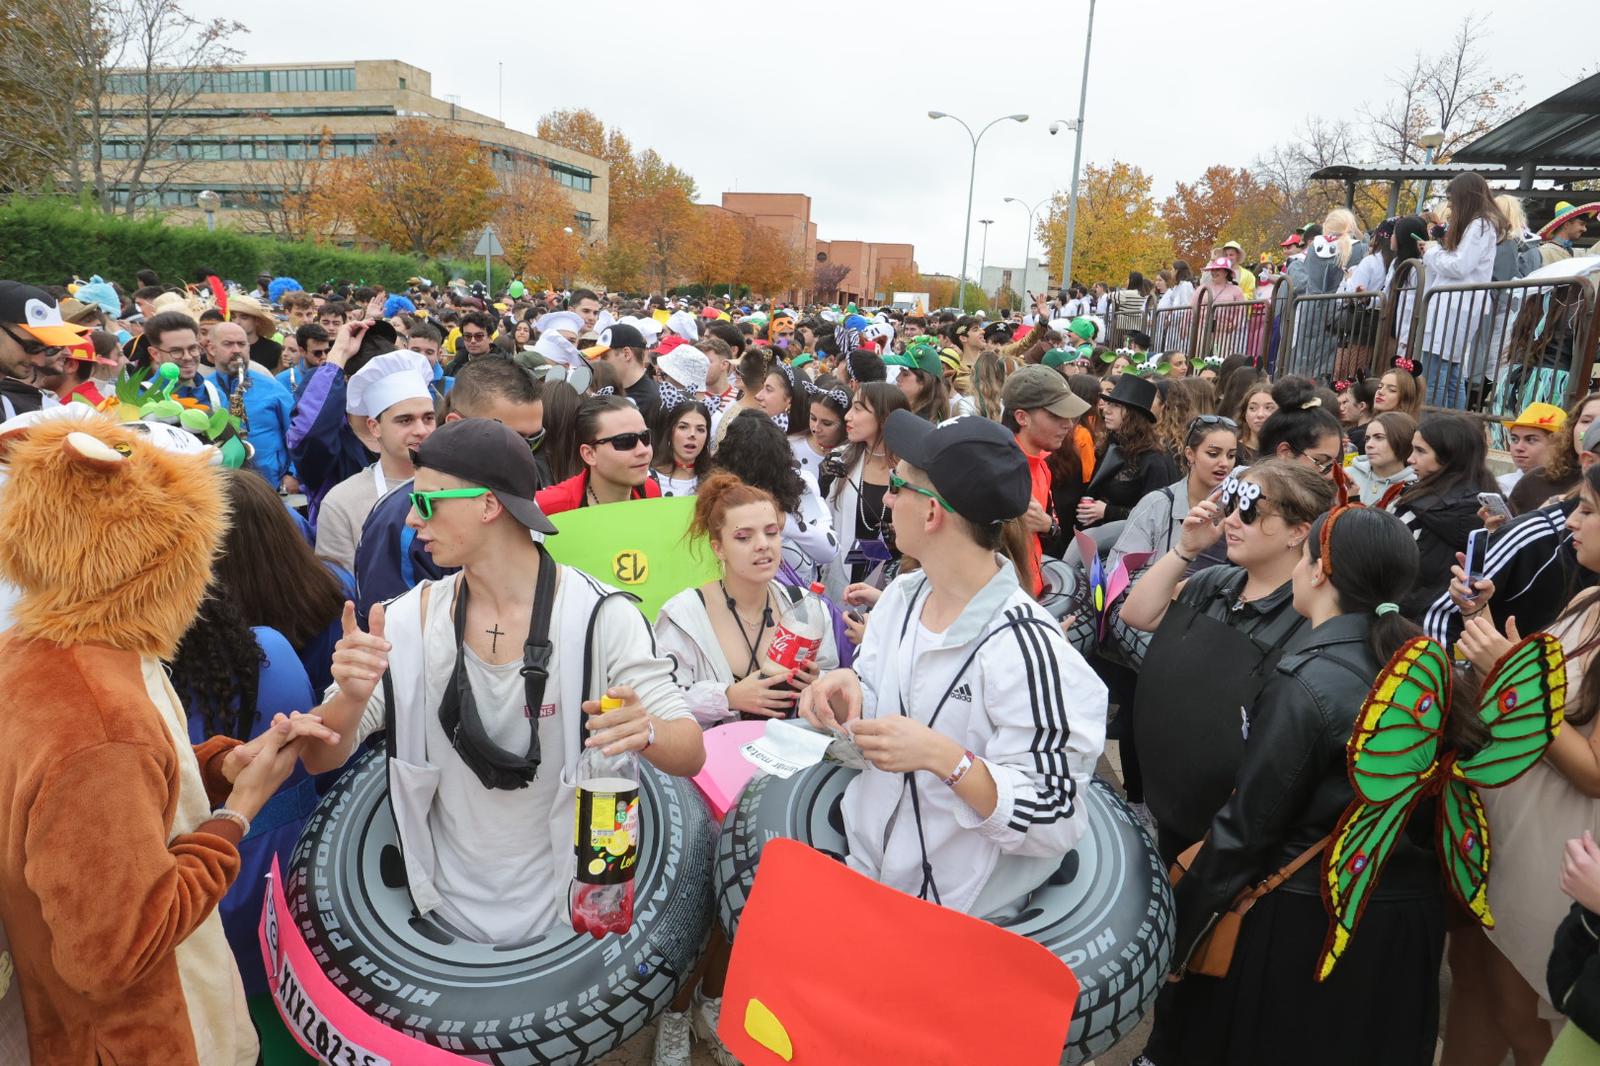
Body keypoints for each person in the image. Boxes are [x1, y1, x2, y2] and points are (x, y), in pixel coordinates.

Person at [297, 418, 705, 946]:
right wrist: (352, 697)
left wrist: (645, 729)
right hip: (438, 910)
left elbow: (690, 751)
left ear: (488, 506)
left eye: (426, 503)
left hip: (571, 907)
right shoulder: (403, 621)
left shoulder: (602, 617)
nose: (411, 522)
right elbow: (320, 757)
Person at [1162, 506, 1446, 1065]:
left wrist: (1183, 929)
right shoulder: (1427, 667)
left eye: (1306, 557)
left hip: (1304, 922)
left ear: (1318, 572)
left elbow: (1249, 829)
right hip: (1402, 923)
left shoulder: (1310, 680)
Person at [800, 411, 1107, 916]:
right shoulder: (901, 595)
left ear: (932, 515)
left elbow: (1055, 815)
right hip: (865, 880)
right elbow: (885, 701)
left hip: (959, 919)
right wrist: (849, 686)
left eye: (898, 485)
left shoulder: (1029, 649)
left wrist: (948, 760)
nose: (888, 497)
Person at [1445, 461, 1600, 1063]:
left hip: (1555, 846)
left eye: (1587, 510)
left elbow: (1592, 769)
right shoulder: (1589, 596)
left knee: (1526, 1012)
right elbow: (1538, 702)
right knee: (1473, 980)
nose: (1572, 524)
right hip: (1502, 824)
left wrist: (1506, 672)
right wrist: (1480, 625)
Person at [1119, 459, 1334, 862]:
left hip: (1235, 829)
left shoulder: (1307, 613)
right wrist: (1185, 549)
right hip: (1172, 799)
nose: (1231, 521)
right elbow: (1137, 614)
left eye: (1249, 512)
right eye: (1231, 505)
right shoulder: (1214, 582)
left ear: (1299, 533)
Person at [354, 356, 547, 617]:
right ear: (456, 422)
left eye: (533, 440)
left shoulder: (522, 488)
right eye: (508, 437)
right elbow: (387, 629)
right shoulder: (400, 520)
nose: (522, 452)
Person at [655, 473, 840, 726]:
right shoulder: (683, 615)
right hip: (712, 760)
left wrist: (817, 683)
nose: (763, 544)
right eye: (744, 537)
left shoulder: (806, 607)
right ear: (718, 548)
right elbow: (660, 700)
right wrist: (728, 697)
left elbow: (832, 680)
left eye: (772, 532)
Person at [314, 351, 436, 572]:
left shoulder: (458, 487)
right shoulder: (343, 503)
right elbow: (341, 590)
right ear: (374, 427)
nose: (421, 430)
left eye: (428, 418)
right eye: (405, 420)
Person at [714, 410, 839, 579]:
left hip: (797, 597)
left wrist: (783, 521)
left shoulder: (800, 484)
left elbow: (828, 550)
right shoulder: (721, 491)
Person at [1418, 173, 1509, 407]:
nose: (1449, 205)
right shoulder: (1479, 225)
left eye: (1452, 199)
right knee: (1451, 373)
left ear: (1465, 198)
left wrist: (1431, 252)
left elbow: (1460, 265)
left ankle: (1433, 428)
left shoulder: (1480, 224)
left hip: (1454, 306)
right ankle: (1453, 427)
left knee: (1436, 375)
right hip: (1457, 305)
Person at [1110, 415, 1240, 576]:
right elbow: (1118, 574)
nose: (1224, 463)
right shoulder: (1156, 505)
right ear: (1190, 454)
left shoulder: (1236, 509)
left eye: (1231, 455)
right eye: (1213, 454)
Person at [1395, 413, 1497, 617]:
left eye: (1420, 451)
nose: (1410, 459)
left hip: (1403, 618)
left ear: (1449, 457)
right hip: (1459, 623)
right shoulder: (1491, 505)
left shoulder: (1416, 509)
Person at [1000, 365, 1089, 594]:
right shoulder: (998, 470)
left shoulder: (1042, 464)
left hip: (1032, 593)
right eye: (1056, 415)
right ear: (1022, 417)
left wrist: (1049, 527)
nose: (1068, 424)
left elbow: (1049, 531)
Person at [821, 382, 910, 598]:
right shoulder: (840, 460)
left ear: (885, 416)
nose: (847, 416)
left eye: (858, 409)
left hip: (893, 587)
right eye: (850, 407)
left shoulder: (910, 469)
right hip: (840, 582)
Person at [208, 320, 296, 493]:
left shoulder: (272, 387)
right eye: (228, 344)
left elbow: (298, 432)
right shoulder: (204, 389)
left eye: (242, 344)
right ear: (211, 349)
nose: (236, 350)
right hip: (219, 491)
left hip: (271, 489)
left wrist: (294, 474)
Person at [536, 393, 663, 513]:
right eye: (625, 441)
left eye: (646, 437)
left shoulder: (650, 491)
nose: (643, 450)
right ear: (589, 454)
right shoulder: (548, 507)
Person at [1079, 375, 1178, 528]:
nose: (1106, 410)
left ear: (1133, 414)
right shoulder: (1113, 444)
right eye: (1108, 403)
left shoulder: (1154, 459)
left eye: (1115, 406)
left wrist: (1108, 511)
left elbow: (1156, 514)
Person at [1256, 376, 1344, 479]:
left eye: (1332, 464)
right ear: (1285, 453)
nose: (1330, 475)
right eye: (1320, 462)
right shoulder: (1250, 490)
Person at [1501, 401, 1577, 511]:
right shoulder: (1501, 485)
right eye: (1514, 439)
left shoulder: (1577, 487)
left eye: (1531, 440)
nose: (1518, 447)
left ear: (1559, 443)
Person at [1346, 410, 1418, 507]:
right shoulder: (1347, 476)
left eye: (1379, 437)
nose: (1369, 445)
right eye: (1367, 438)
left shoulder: (1415, 489)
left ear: (1402, 440)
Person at [596, 321, 661, 422]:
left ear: (626, 354)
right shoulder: (608, 390)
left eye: (605, 357)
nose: (600, 362)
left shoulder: (654, 400)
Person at [650, 398, 712, 497]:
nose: (692, 434)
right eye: (683, 427)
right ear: (670, 432)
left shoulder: (715, 483)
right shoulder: (647, 479)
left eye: (700, 429)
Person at [791, 380, 849, 480]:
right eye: (813, 418)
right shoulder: (791, 446)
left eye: (827, 423)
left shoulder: (852, 455)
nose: (816, 428)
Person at [1232, 377, 1276, 463]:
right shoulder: (1233, 452)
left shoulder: (1287, 454)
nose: (1260, 414)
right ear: (1244, 414)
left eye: (1268, 408)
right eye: (1252, 408)